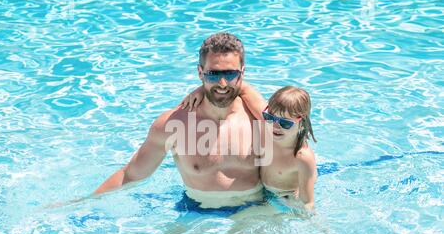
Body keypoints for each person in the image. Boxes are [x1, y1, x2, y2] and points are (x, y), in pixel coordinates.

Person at [93, 32, 265, 209]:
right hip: (194, 210)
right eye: (213, 74)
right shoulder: (173, 124)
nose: (222, 83)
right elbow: (131, 175)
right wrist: (84, 203)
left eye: (230, 74)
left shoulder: (261, 119)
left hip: (251, 211)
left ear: (242, 73)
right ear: (200, 72)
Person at [182, 84, 318, 211]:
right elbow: (240, 86)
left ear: (302, 123)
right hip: (260, 192)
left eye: (285, 123)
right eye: (269, 117)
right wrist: (201, 90)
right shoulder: (267, 125)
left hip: (283, 199)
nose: (275, 126)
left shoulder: (301, 157)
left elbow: (307, 203)